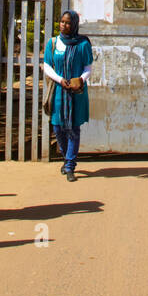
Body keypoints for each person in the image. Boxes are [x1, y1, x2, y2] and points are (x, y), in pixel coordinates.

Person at [43, 9, 93, 180]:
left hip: (76, 92)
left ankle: (70, 165)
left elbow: (88, 66)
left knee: (73, 128)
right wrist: (59, 79)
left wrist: (80, 79)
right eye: (62, 22)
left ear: (74, 25)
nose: (64, 25)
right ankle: (66, 158)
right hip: (59, 91)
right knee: (58, 127)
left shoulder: (83, 44)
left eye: (68, 22)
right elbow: (47, 65)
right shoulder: (53, 43)